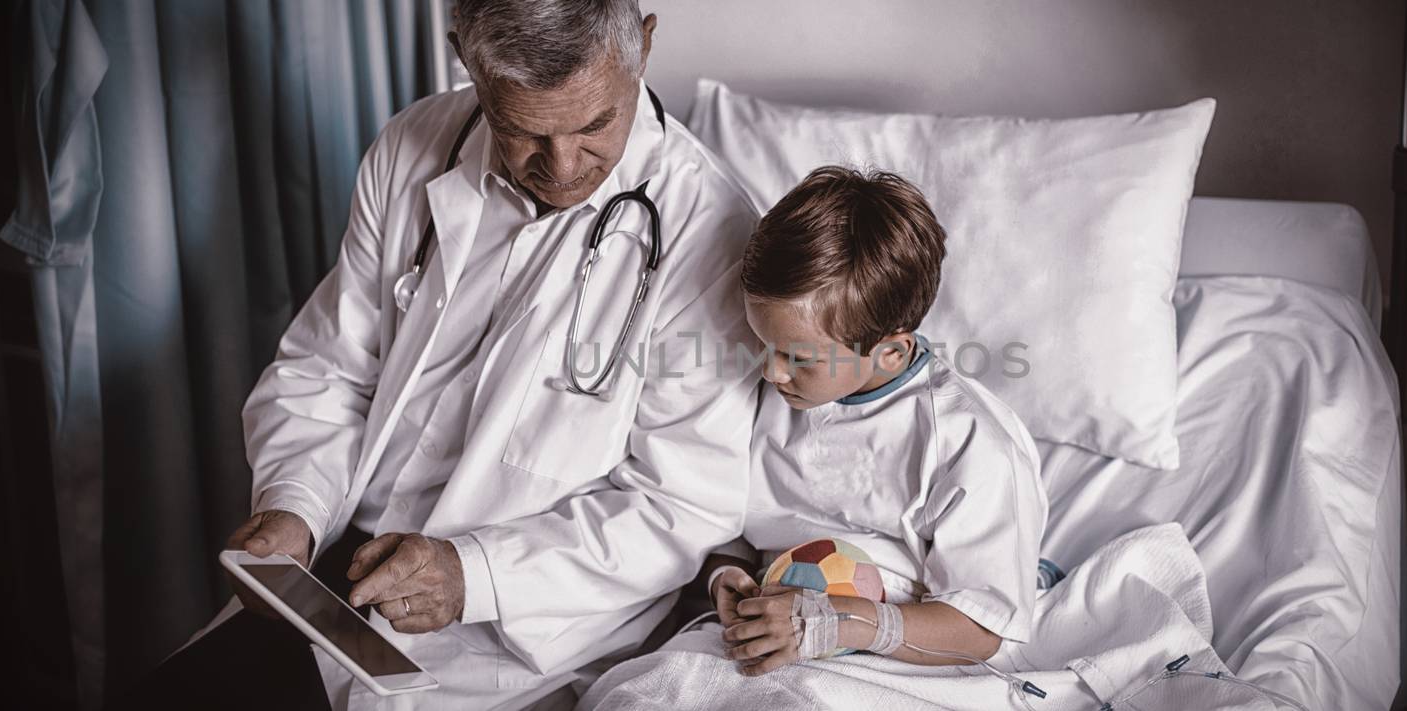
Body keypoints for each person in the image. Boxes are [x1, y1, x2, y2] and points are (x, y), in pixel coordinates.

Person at [131, 1, 761, 708]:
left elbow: (678, 504)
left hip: (522, 620)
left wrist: (475, 574)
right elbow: (329, 368)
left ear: (643, 46)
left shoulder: (716, 234)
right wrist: (295, 505)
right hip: (340, 563)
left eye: (594, 126)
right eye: (523, 130)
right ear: (466, 57)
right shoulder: (412, 144)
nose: (560, 168)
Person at [697, 167, 1046, 675]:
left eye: (799, 358)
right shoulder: (761, 391)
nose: (771, 371)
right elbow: (720, 511)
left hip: (894, 646)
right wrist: (722, 572)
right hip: (765, 626)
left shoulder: (969, 443)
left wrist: (846, 624)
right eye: (763, 343)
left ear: (889, 353)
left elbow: (983, 627)